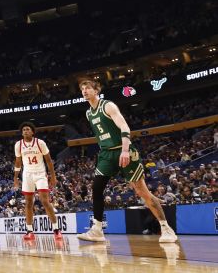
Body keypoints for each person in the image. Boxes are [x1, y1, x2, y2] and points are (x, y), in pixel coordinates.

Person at [76, 80, 177, 243]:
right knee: (96, 188)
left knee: (141, 191)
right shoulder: (89, 113)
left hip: (123, 150)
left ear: (96, 90)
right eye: (82, 89)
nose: (84, 91)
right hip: (106, 154)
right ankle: (97, 230)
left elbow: (124, 127)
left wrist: (124, 150)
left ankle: (166, 228)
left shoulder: (108, 106)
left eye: (88, 88)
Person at [13, 122, 62, 242]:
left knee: (45, 201)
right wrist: (15, 177)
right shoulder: (18, 145)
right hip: (27, 175)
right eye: (23, 129)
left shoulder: (40, 143)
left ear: (32, 132)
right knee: (28, 203)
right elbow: (18, 162)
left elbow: (49, 161)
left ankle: (56, 229)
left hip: (40, 174)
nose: (25, 131)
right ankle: (30, 231)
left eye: (28, 129)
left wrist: (53, 176)